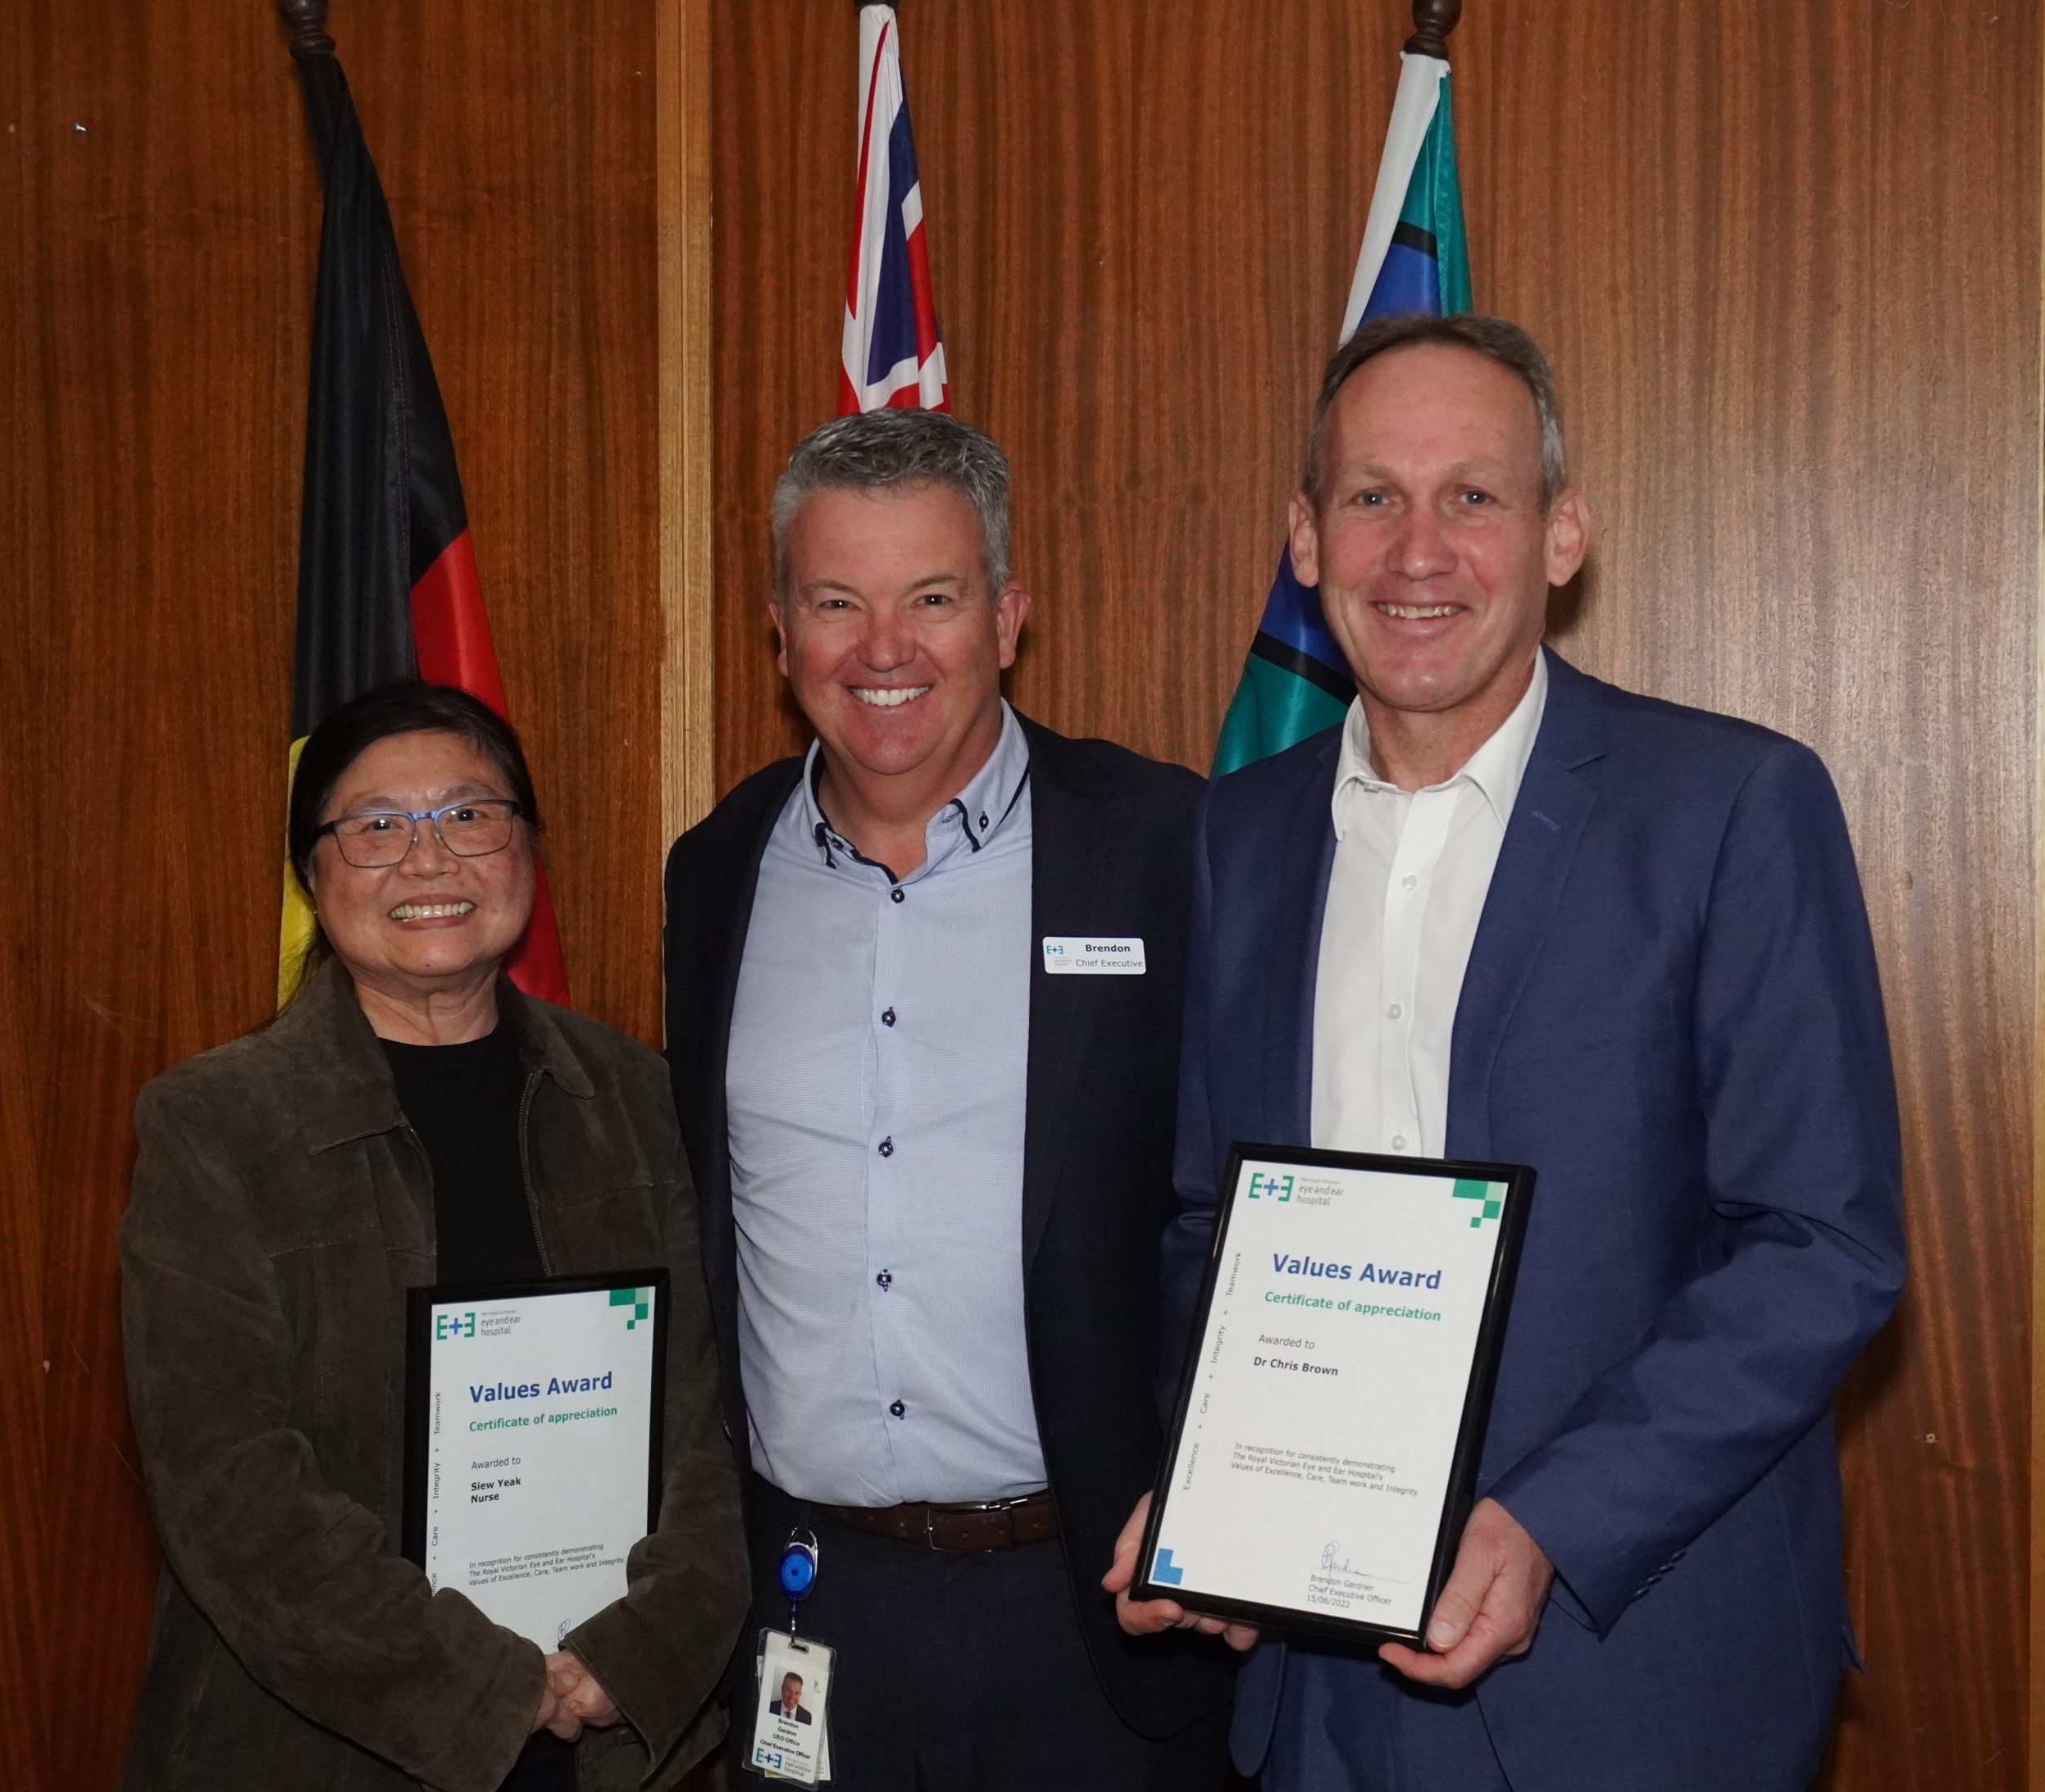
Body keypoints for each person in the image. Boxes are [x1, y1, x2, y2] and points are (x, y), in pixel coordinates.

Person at [1105, 314, 1906, 1790]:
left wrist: (1552, 1519)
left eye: (1472, 494)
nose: (1419, 549)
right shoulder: (1240, 833)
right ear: (1303, 535)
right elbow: (1213, 1217)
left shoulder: (1731, 808)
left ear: (1561, 535)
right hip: (1316, 1675)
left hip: (1636, 1664)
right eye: (1371, 496)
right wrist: (1211, 1480)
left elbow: (1822, 1247)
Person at [662, 408, 1235, 1790]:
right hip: (810, 1608)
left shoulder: (1167, 843)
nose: (884, 649)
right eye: (836, 601)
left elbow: (1238, 1189)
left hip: (1098, 1601)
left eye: (933, 597)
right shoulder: (717, 867)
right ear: (780, 628)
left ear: (1008, 615)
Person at [120, 684, 748, 1792]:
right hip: (315, 1746)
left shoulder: (642, 1097)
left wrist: (635, 1655)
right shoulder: (215, 1124)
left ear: (526, 849)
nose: (428, 859)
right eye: (375, 826)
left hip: (601, 1728)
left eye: (469, 813)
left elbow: (717, 1419)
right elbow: (230, 1487)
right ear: (314, 877)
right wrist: (490, 1687)